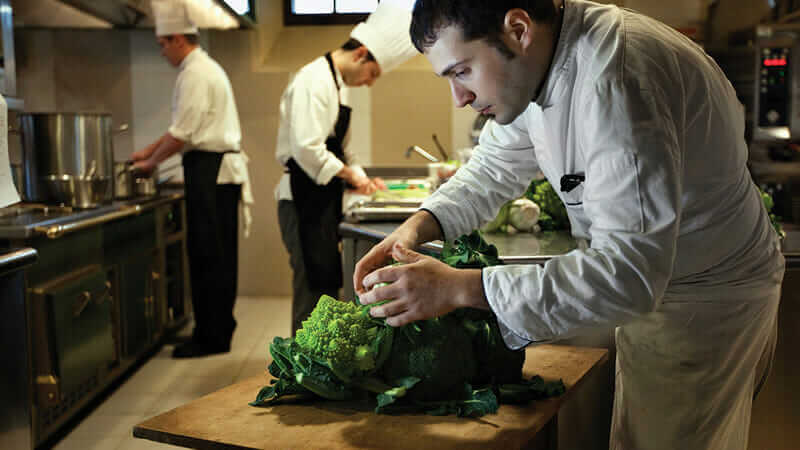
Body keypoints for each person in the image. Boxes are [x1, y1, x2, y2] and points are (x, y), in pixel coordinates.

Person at [354, 1, 785, 449]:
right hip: (668, 285)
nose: (458, 97)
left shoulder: (616, 81)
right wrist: (420, 226)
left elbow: (629, 276)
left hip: (705, 303)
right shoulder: (543, 62)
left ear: (518, 29)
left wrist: (459, 288)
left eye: (461, 71)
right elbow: (496, 164)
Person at [275, 0, 418, 335]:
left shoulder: (338, 85)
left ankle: (320, 362)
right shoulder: (312, 79)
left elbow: (341, 148)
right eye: (373, 73)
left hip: (321, 197)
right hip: (299, 199)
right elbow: (307, 148)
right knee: (310, 290)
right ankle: (299, 368)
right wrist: (349, 173)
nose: (369, 82)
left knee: (324, 286)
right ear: (361, 54)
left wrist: (361, 176)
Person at [132, 0, 253, 358]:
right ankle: (214, 328)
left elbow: (182, 133)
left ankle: (211, 336)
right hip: (211, 172)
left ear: (176, 40)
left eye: (162, 45)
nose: (162, 52)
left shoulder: (196, 72)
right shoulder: (200, 69)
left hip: (211, 172)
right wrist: (146, 152)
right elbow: (179, 130)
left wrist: (150, 162)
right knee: (214, 255)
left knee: (209, 256)